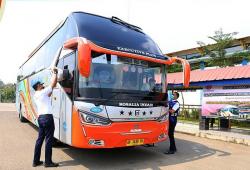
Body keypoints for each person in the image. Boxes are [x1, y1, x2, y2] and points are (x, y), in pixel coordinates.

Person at [32, 67, 59, 167]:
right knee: (49, 140)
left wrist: (54, 81)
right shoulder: (42, 92)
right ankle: (48, 162)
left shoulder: (37, 95)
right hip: (47, 118)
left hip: (41, 119)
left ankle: (36, 161)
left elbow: (51, 90)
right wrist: (55, 73)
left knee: (40, 140)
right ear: (38, 86)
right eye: (41, 84)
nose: (43, 85)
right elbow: (52, 85)